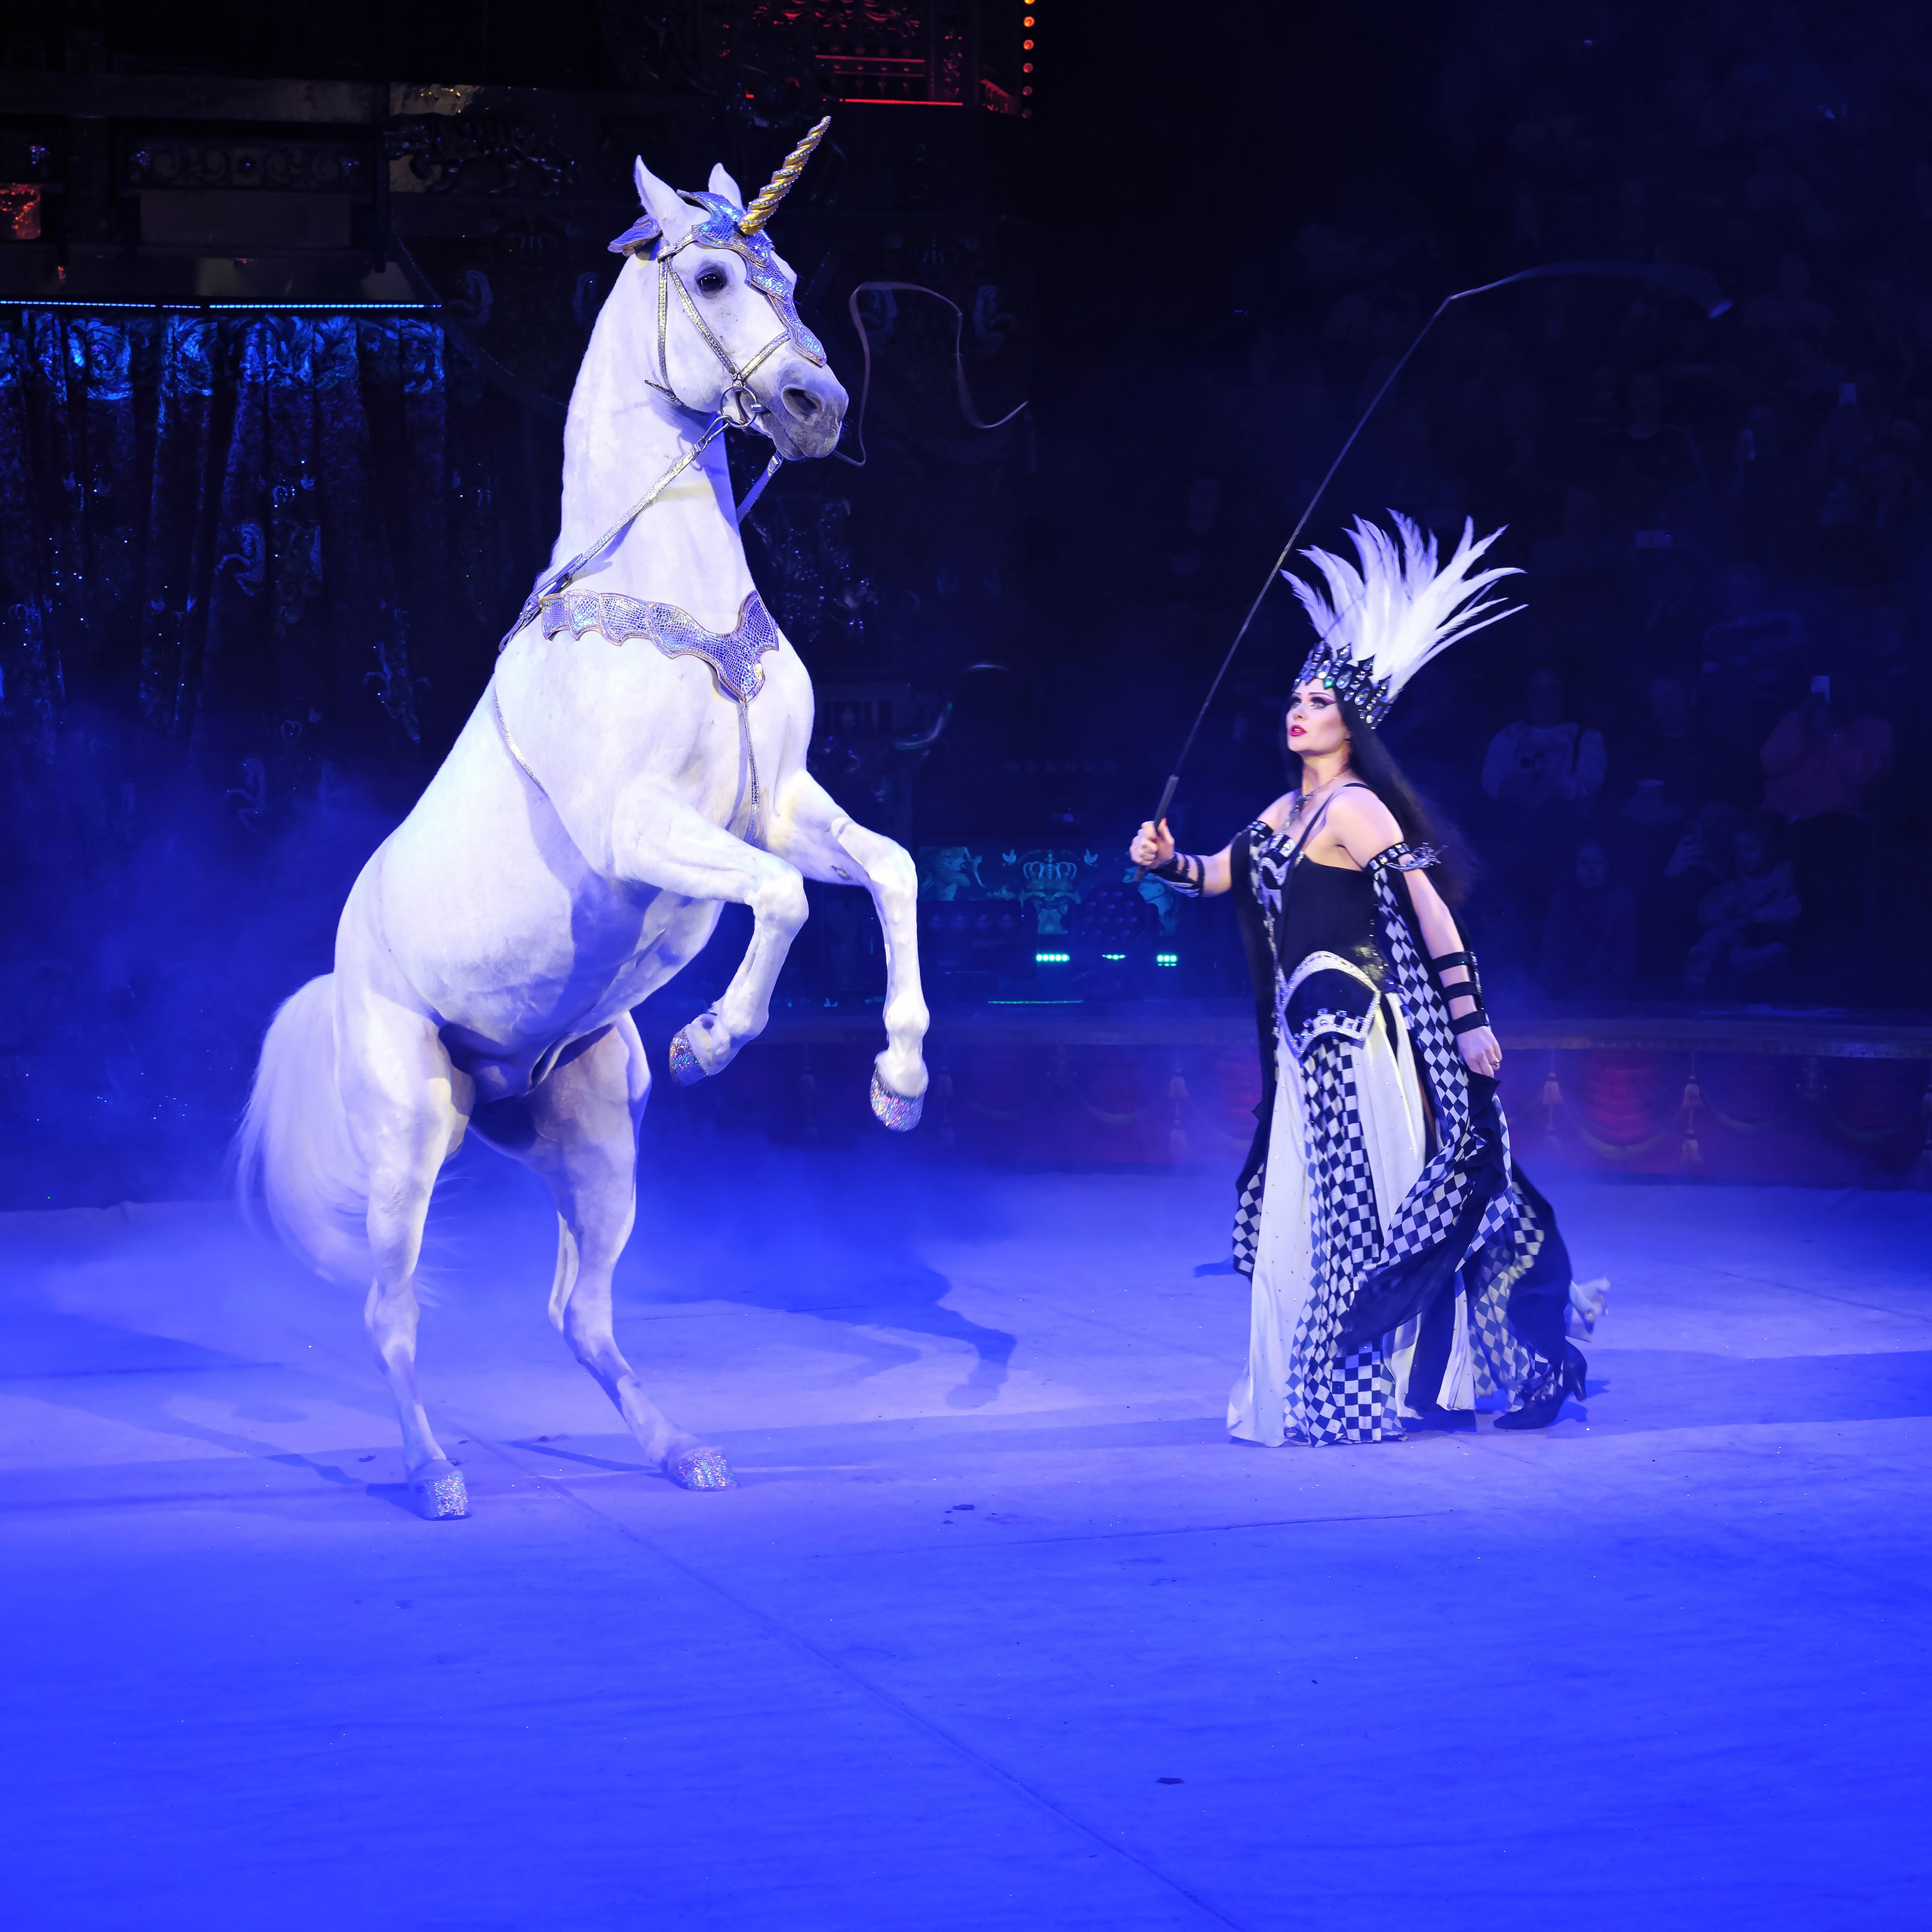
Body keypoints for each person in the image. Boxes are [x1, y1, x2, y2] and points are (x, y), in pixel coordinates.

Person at [1131, 514, 1590, 1444]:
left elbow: (1428, 908)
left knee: (1363, 1214)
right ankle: (1347, 1375)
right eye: (1294, 699)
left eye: (1317, 702)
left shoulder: (1356, 807)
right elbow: (1222, 872)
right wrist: (1165, 860)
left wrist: (1467, 1021)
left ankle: (1373, 1379)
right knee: (1323, 1211)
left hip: (1353, 1032)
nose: (1296, 711)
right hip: (1305, 1048)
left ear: (1352, 724)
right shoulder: (1288, 808)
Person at [1481, 666, 1607, 811]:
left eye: (1552, 690)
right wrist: (1512, 788)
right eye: (1536, 691)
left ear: (1565, 694)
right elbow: (1492, 776)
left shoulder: (1588, 738)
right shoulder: (1509, 735)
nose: (1543, 699)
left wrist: (1554, 790)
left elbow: (1590, 780)